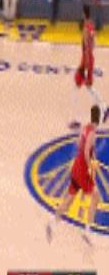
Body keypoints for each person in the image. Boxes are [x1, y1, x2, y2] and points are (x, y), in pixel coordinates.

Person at [48, 105, 101, 244]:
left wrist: (92, 155)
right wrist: (90, 165)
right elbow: (86, 152)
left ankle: (52, 223)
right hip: (83, 169)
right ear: (99, 118)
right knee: (96, 196)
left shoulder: (85, 127)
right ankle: (87, 231)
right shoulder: (92, 133)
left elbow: (80, 145)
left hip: (76, 166)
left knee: (69, 199)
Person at [70, 5, 106, 129]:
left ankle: (75, 119)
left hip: (85, 59)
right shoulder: (92, 25)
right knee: (88, 87)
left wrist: (84, 67)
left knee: (76, 86)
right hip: (90, 58)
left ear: (83, 14)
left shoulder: (85, 28)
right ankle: (104, 108)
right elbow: (94, 43)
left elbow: (86, 46)